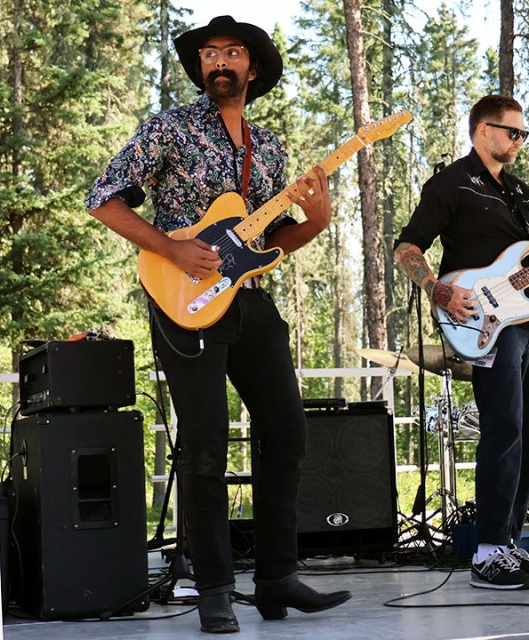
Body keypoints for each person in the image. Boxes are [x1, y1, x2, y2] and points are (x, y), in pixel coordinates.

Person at [85, 16, 350, 634]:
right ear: (200, 67)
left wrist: (320, 209)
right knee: (204, 442)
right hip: (185, 302)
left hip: (252, 300)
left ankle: (277, 577)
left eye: (232, 53)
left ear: (252, 69)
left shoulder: (273, 147)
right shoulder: (170, 128)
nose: (219, 61)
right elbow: (104, 196)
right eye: (209, 53)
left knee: (287, 431)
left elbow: (286, 238)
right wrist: (172, 249)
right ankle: (214, 587)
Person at [394, 95, 529, 590]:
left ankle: (509, 542)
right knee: (503, 428)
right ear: (482, 131)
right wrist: (440, 291)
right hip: (485, 326)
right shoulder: (451, 183)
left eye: (522, 134)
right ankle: (487, 550)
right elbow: (407, 246)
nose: (518, 141)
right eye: (511, 132)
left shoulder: (522, 193)